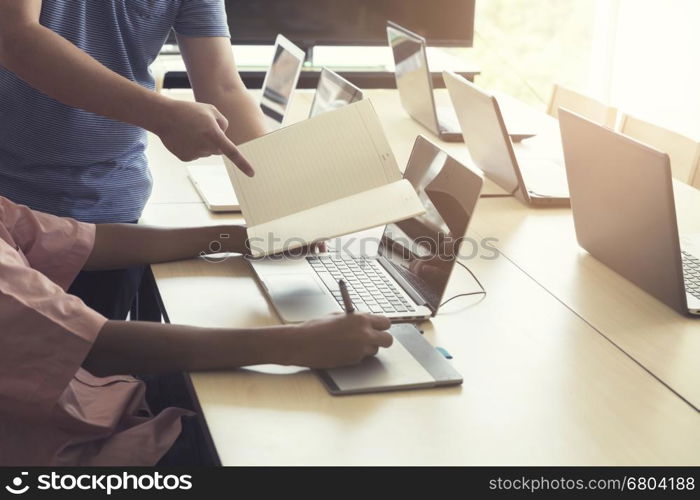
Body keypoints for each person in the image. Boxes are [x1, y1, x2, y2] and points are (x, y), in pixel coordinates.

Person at [0, 195, 393, 466]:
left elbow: (88, 241)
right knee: (294, 443)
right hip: (66, 454)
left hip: (96, 400)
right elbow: (101, 346)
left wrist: (244, 239)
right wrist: (297, 342)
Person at [0, 0, 265, 320]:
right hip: (10, 204)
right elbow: (15, 35)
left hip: (113, 209)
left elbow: (223, 86)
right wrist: (161, 115)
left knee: (97, 363)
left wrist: (283, 209)